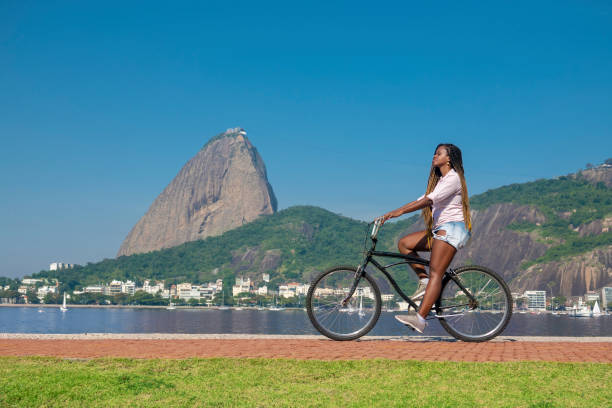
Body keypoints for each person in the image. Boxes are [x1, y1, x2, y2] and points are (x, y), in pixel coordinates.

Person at [380, 143, 472, 333]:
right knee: (405, 244)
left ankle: (420, 318)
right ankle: (424, 280)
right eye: (434, 153)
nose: (434, 156)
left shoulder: (453, 178)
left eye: (438, 154)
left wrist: (400, 211)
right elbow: (420, 200)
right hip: (440, 230)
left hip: (451, 229)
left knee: (437, 274)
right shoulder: (441, 181)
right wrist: (393, 212)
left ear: (449, 158)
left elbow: (428, 201)